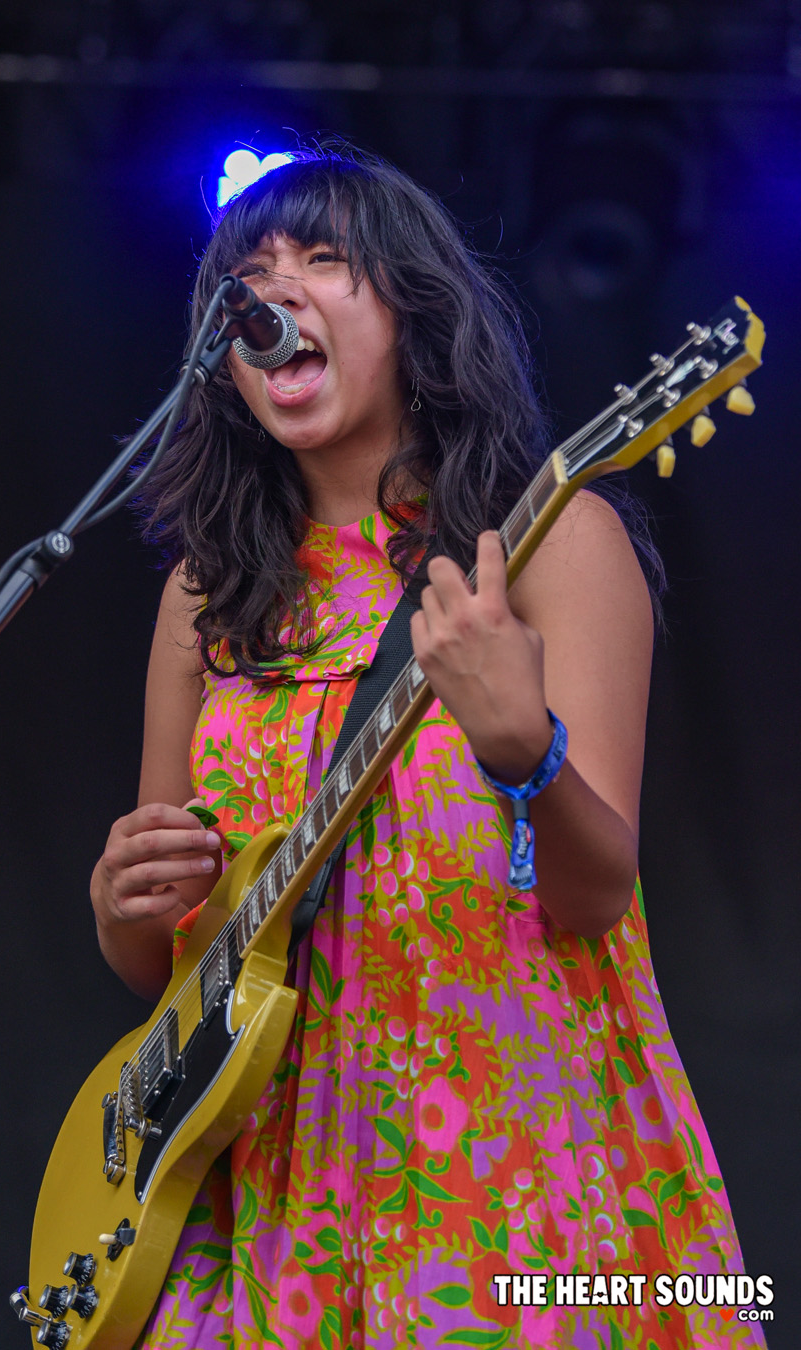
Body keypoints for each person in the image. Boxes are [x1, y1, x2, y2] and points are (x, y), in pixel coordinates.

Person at [89, 148, 763, 1349]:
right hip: (266, 1188)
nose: (274, 291)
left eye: (322, 260)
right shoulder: (205, 595)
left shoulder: (551, 545)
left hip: (498, 1146)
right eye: (247, 277)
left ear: (414, 309)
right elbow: (172, 969)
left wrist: (522, 748)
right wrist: (121, 904)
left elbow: (596, 895)